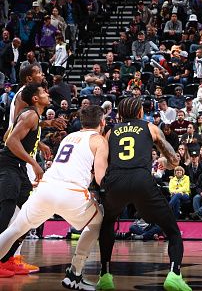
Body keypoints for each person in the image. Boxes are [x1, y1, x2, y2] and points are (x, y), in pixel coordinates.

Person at [0, 105, 108, 288]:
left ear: (81, 122)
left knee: (14, 230)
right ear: (102, 122)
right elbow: (100, 177)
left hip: (45, 189)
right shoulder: (99, 140)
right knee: (98, 221)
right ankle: (75, 273)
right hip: (71, 194)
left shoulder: (68, 137)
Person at [97, 97, 191, 291]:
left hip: (116, 181)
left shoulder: (110, 131)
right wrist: (168, 162)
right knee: (172, 230)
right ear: (140, 113)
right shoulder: (149, 127)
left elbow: (101, 161)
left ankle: (105, 276)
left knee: (107, 224)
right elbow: (174, 160)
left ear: (120, 115)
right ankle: (174, 274)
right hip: (141, 179)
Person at [0, 83, 49, 276]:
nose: (47, 93)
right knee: (6, 213)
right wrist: (34, 163)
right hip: (8, 166)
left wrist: (39, 144)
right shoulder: (30, 115)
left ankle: (7, 258)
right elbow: (10, 140)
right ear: (35, 99)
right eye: (43, 92)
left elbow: (8, 135)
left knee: (31, 215)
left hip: (18, 168)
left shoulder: (33, 116)